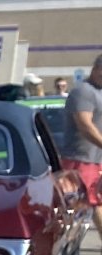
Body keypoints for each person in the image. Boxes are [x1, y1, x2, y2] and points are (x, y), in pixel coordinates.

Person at [61, 55, 102, 245]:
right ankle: (65, 249)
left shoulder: (98, 92)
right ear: (96, 69)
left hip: (95, 159)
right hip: (79, 159)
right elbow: (84, 125)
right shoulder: (83, 92)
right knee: (77, 207)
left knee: (96, 203)